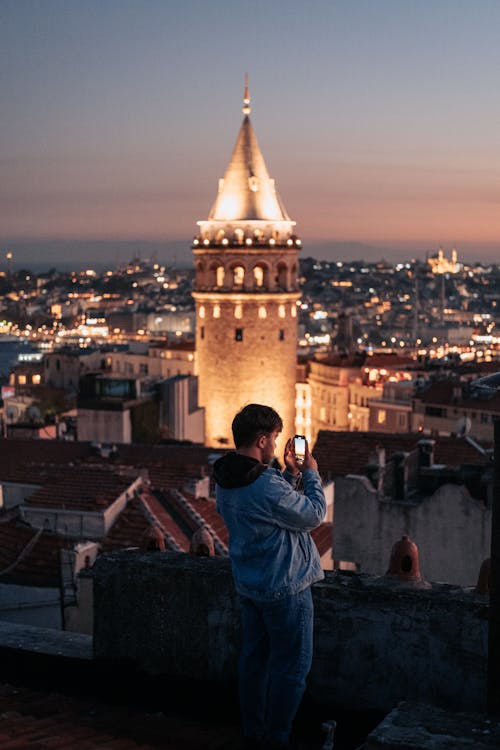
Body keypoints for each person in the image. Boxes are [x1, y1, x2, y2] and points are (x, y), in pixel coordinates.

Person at [214, 404, 326, 750]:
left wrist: (289, 474)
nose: (277, 446)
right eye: (275, 439)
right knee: (291, 668)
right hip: (285, 587)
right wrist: (311, 474)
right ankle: (277, 738)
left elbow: (274, 508)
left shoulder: (226, 477)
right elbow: (313, 515)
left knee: (254, 663)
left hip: (251, 584)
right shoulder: (262, 484)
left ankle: (253, 731)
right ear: (261, 440)